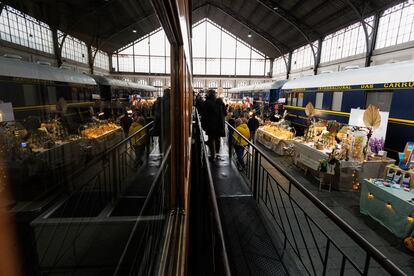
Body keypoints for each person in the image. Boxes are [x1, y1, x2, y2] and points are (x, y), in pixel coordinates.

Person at [202, 89, 225, 162]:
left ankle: (212, 156)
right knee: (217, 139)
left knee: (211, 139)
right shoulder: (219, 102)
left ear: (209, 94)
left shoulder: (207, 102)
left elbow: (204, 115)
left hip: (211, 125)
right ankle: (217, 154)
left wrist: (204, 125)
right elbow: (225, 113)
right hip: (219, 125)